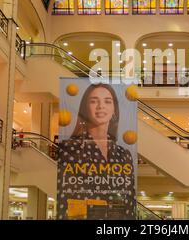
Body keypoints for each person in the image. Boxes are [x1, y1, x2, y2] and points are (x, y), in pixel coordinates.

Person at [58, 84, 136, 220]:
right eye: (94, 101)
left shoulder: (124, 155)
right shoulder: (69, 150)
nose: (101, 106)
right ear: (85, 109)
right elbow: (65, 200)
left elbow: (129, 203)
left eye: (107, 101)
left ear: (114, 110)